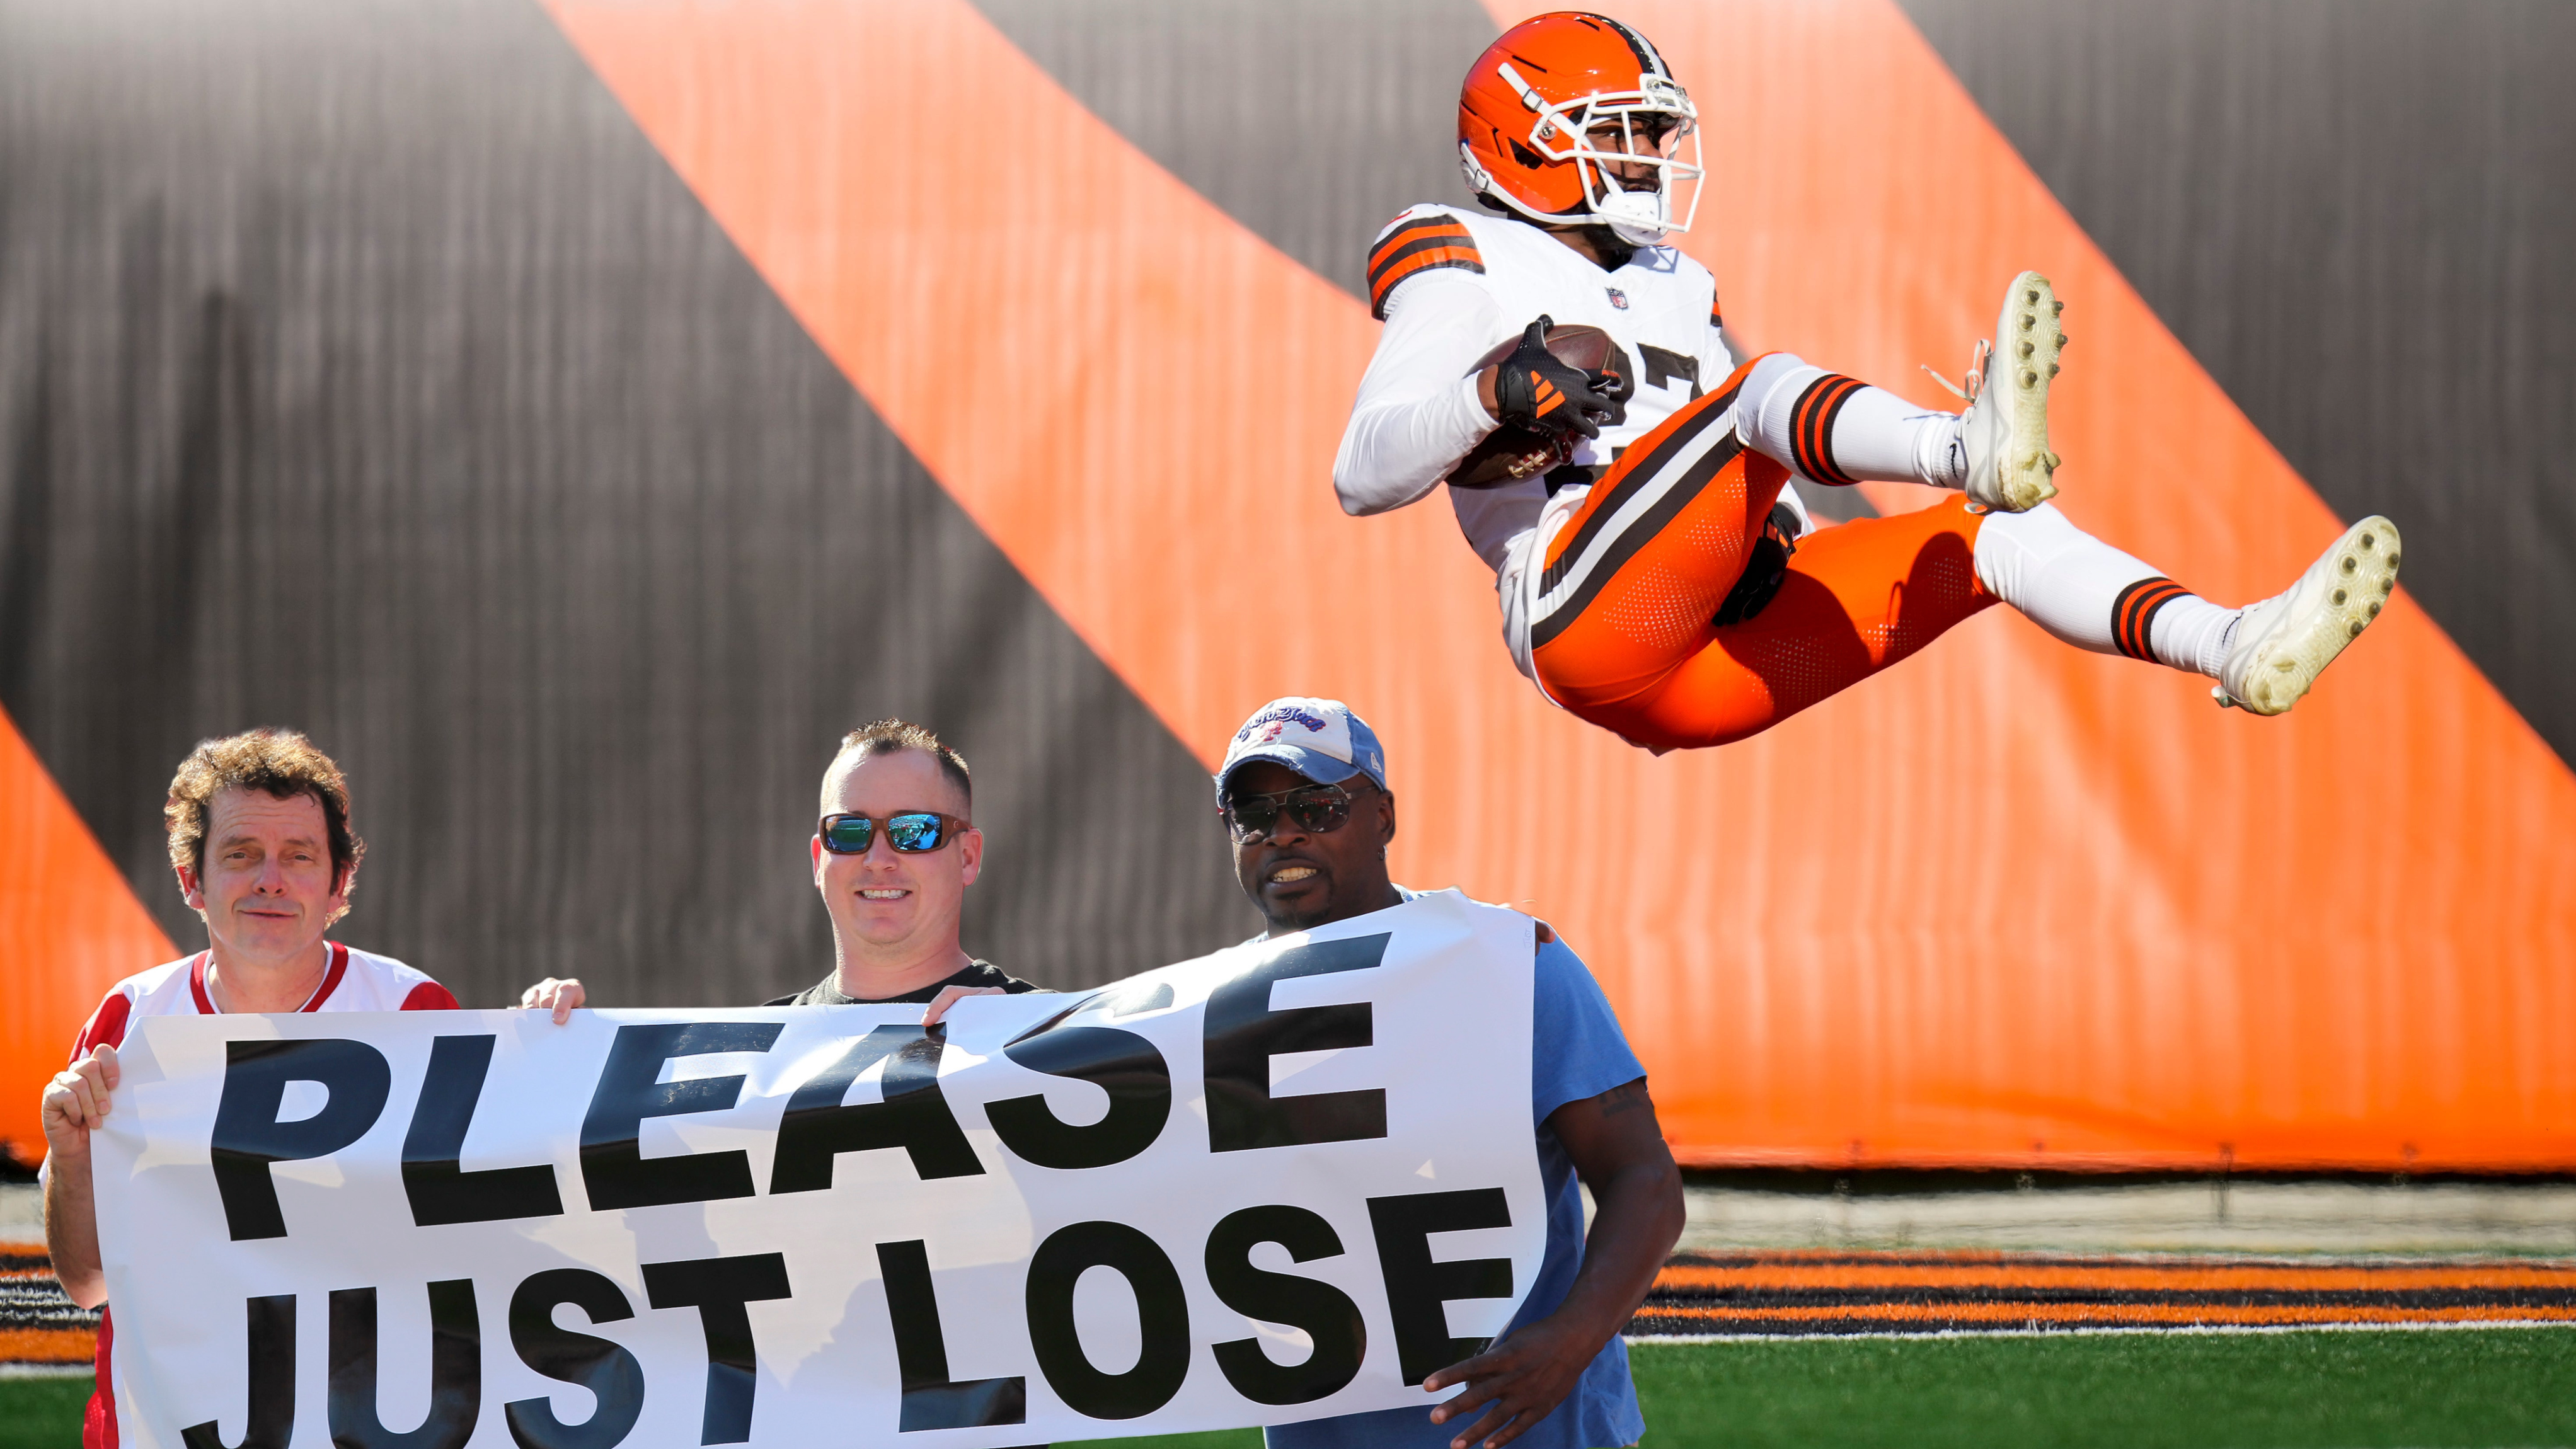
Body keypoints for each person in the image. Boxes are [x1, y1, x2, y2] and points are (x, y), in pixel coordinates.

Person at [1337, 11, 2400, 751]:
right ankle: (1961, 443)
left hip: (1707, 670)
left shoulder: (1672, 279)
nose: (1652, 153)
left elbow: (1734, 462)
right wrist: (1491, 395)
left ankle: (2229, 641)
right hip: (1584, 620)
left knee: (1988, 538)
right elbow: (1362, 472)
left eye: (1654, 130)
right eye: (1620, 130)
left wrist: (1781, 532)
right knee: (1764, 394)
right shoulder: (1462, 249)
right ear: (1525, 139)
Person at [929, 698, 1680, 1446]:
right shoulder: (1206, 1012)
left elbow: (1642, 1179)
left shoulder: (1510, 962)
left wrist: (1569, 1341)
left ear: (1382, 815)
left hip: (1530, 1429)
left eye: (1316, 805)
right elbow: (1084, 1105)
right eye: (1252, 812)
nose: (1282, 830)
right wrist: (992, 1032)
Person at [39, 729, 459, 1449]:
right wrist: (72, 1159)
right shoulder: (127, 1023)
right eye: (241, 855)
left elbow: (486, 1241)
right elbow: (89, 1283)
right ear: (191, 880)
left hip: (365, 1419)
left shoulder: (413, 1012)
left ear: (339, 885)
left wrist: (558, 1042)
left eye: (300, 857)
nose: (271, 878)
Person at [520, 718, 1042, 1019]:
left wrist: (1023, 1045)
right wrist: (565, 1058)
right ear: (820, 860)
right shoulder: (759, 1054)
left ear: (968, 856)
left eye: (914, 832)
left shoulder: (1057, 1038)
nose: (879, 859)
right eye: (850, 832)